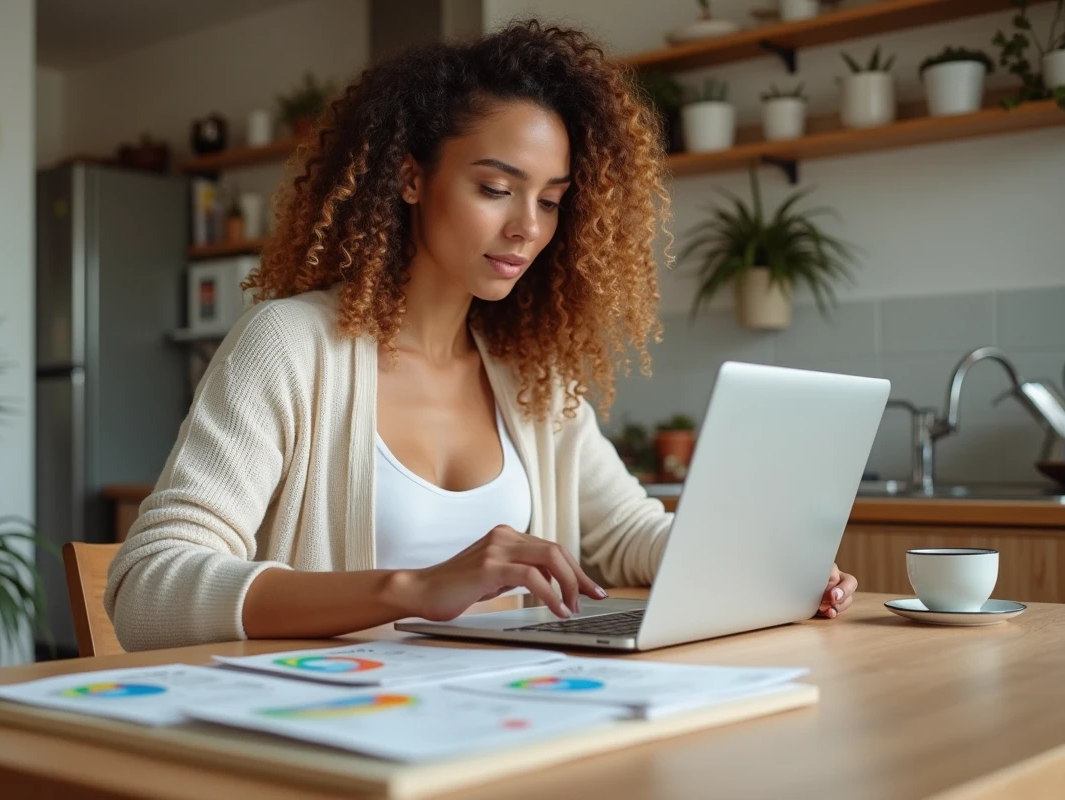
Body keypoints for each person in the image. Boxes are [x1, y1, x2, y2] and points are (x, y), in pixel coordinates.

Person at [104, 20, 857, 652]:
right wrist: (417, 589)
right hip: (339, 730)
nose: (527, 228)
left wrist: (762, 563)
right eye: (495, 189)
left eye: (552, 201)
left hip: (512, 712)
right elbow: (147, 588)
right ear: (408, 178)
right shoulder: (291, 347)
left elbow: (628, 533)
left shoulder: (531, 375)